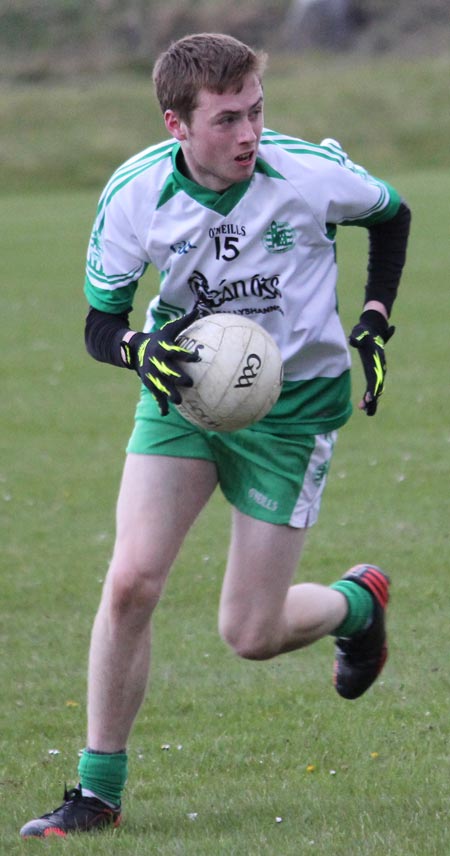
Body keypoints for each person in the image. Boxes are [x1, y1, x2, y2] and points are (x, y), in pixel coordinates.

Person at [20, 32, 411, 838]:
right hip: (184, 394)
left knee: (251, 633)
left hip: (293, 408)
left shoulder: (304, 172)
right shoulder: (135, 196)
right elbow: (102, 322)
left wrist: (373, 318)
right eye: (228, 119)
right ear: (177, 125)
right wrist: (138, 350)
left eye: (256, 113)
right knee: (130, 581)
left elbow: (392, 213)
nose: (248, 135)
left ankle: (354, 606)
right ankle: (97, 792)